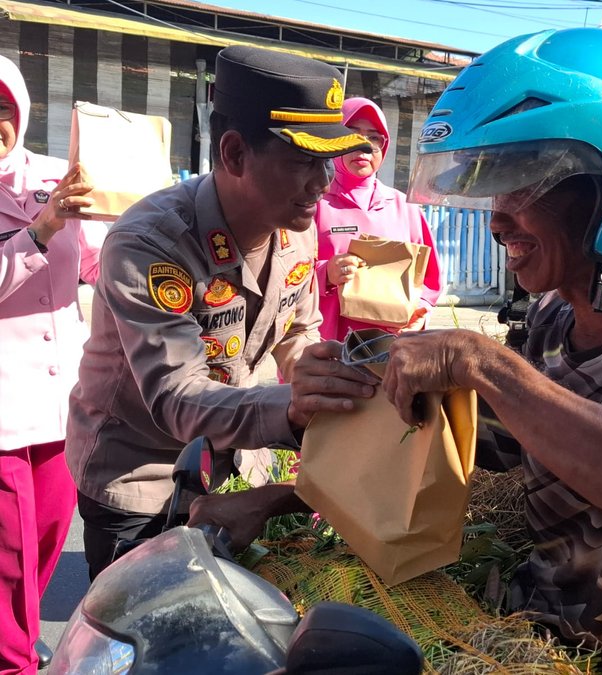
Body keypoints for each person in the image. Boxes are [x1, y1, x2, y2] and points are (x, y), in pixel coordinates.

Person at [190, 28, 602, 673]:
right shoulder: (551, 318)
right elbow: (460, 445)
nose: (496, 220)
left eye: (524, 187)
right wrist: (282, 493)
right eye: (493, 191)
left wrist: (484, 362)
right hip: (533, 637)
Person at [65, 45, 380, 581]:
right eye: (304, 160)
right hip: (144, 476)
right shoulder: (151, 243)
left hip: (237, 473)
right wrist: (296, 410)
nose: (323, 182)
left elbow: (297, 333)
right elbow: (176, 396)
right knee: (147, 642)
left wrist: (332, 376)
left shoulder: (292, 230)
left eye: (327, 162)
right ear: (234, 154)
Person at [0, 56, 105, 674]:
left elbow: (94, 265)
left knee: (42, 545)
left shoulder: (56, 177)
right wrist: (38, 232)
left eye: (4, 110)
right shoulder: (46, 207)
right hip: (3, 412)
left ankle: (15, 641)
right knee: (9, 555)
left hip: (63, 404)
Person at [315, 97, 442, 341]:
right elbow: (282, 275)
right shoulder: (313, 203)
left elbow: (430, 280)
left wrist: (420, 314)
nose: (364, 146)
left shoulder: (404, 207)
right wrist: (326, 273)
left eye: (374, 137)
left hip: (387, 354)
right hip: (324, 350)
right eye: (352, 134)